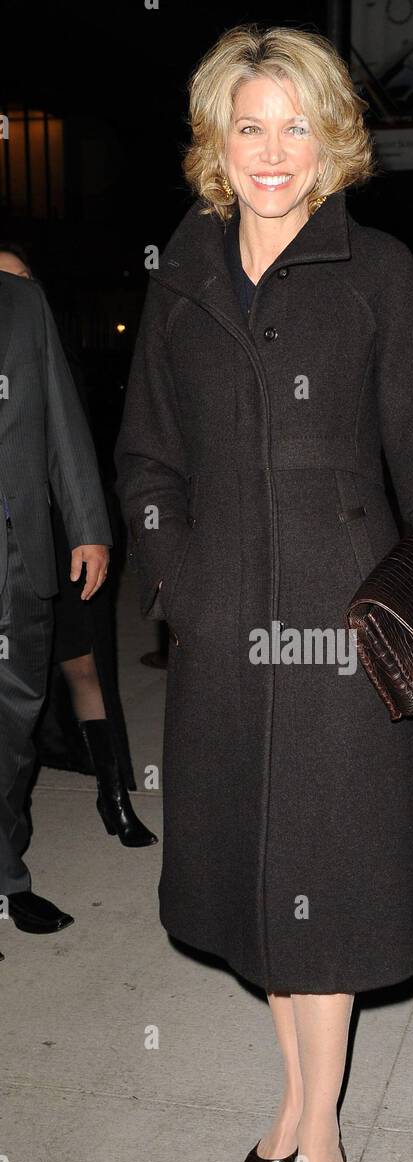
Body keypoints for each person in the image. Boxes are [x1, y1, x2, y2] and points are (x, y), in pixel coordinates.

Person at [115, 23, 413, 1162]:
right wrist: (180, 584)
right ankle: (296, 1101)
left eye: (297, 126)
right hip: (225, 643)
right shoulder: (182, 274)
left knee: (328, 895)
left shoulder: (377, 273)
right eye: (250, 126)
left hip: (344, 640)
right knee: (259, 884)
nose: (272, 152)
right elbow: (146, 462)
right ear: (216, 140)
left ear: (332, 139)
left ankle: (322, 1138)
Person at [0, 243, 157, 849]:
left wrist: (89, 526)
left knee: (83, 663)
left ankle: (113, 796)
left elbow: (74, 442)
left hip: (60, 535)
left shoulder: (50, 347)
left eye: (20, 276)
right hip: (20, 536)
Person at [0, 269, 112, 934]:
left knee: (13, 733)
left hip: (16, 560)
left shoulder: (21, 301)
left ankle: (6, 878)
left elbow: (60, 420)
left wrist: (88, 525)